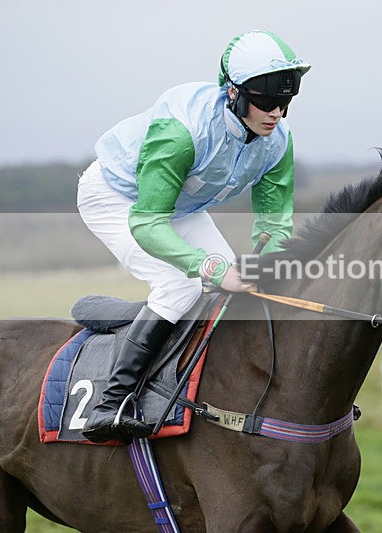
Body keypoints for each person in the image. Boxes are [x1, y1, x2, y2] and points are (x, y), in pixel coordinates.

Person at [76, 30, 310, 443]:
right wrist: (211, 268)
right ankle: (110, 406)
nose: (277, 114)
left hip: (181, 208)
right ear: (234, 92)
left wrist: (265, 267)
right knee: (182, 283)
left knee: (236, 289)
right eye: (267, 102)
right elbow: (148, 223)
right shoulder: (181, 130)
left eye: (285, 103)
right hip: (118, 198)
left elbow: (274, 226)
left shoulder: (277, 142)